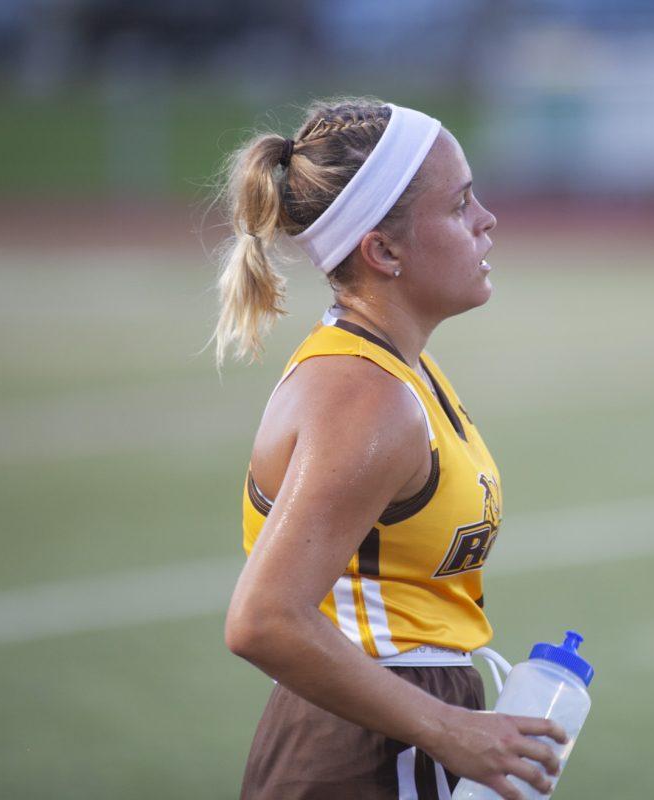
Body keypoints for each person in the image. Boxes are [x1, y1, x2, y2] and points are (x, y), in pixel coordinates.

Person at [216, 98, 566, 800]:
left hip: (389, 720)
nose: (486, 221)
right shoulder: (362, 396)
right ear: (383, 250)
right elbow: (263, 620)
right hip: (369, 744)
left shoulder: (399, 371)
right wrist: (445, 727)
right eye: (461, 204)